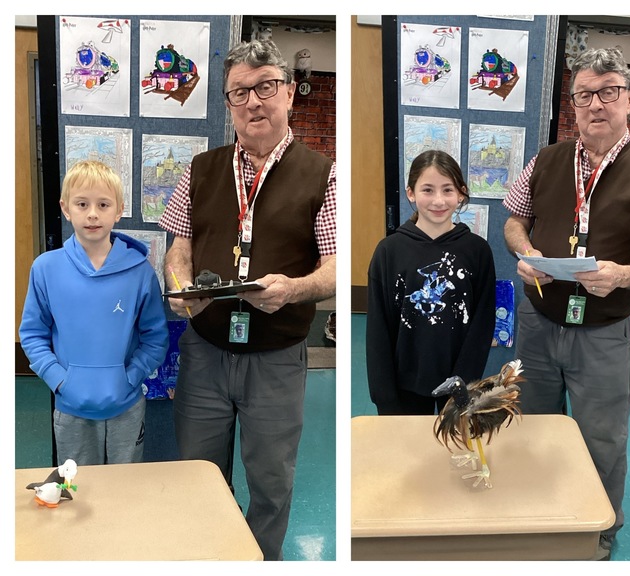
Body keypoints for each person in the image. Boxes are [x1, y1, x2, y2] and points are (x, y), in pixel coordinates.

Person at [158, 39, 336, 561]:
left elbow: (334, 267)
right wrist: (178, 283)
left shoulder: (324, 173)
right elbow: (180, 246)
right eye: (240, 92)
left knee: (271, 484)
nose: (254, 101)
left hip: (276, 361)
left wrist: (294, 290)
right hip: (206, 353)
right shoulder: (200, 168)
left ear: (289, 95)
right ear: (228, 102)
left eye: (266, 88)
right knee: (199, 475)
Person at [502, 47, 630, 560]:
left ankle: (597, 535)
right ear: (573, 103)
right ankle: (540, 515)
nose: (595, 104)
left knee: (603, 439)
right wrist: (526, 251)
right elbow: (514, 220)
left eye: (608, 93)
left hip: (602, 333)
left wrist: (624, 276)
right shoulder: (547, 159)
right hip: (538, 320)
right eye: (584, 95)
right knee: (531, 424)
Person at [20, 160, 169, 466]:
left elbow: (156, 338)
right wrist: (59, 379)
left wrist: (130, 377)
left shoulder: (140, 272)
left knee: (124, 490)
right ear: (65, 208)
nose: (92, 214)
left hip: (126, 406)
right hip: (71, 407)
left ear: (119, 210)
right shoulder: (46, 269)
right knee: (77, 491)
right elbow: (33, 334)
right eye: (82, 204)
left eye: (103, 204)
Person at [366, 150, 496, 415]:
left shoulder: (477, 251)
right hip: (404, 385)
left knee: (457, 452)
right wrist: (384, 395)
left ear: (461, 193)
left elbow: (482, 323)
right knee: (408, 454)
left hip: (460, 383)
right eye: (428, 190)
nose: (438, 200)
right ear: (410, 193)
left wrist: (465, 380)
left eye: (447, 190)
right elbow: (378, 329)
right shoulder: (389, 251)